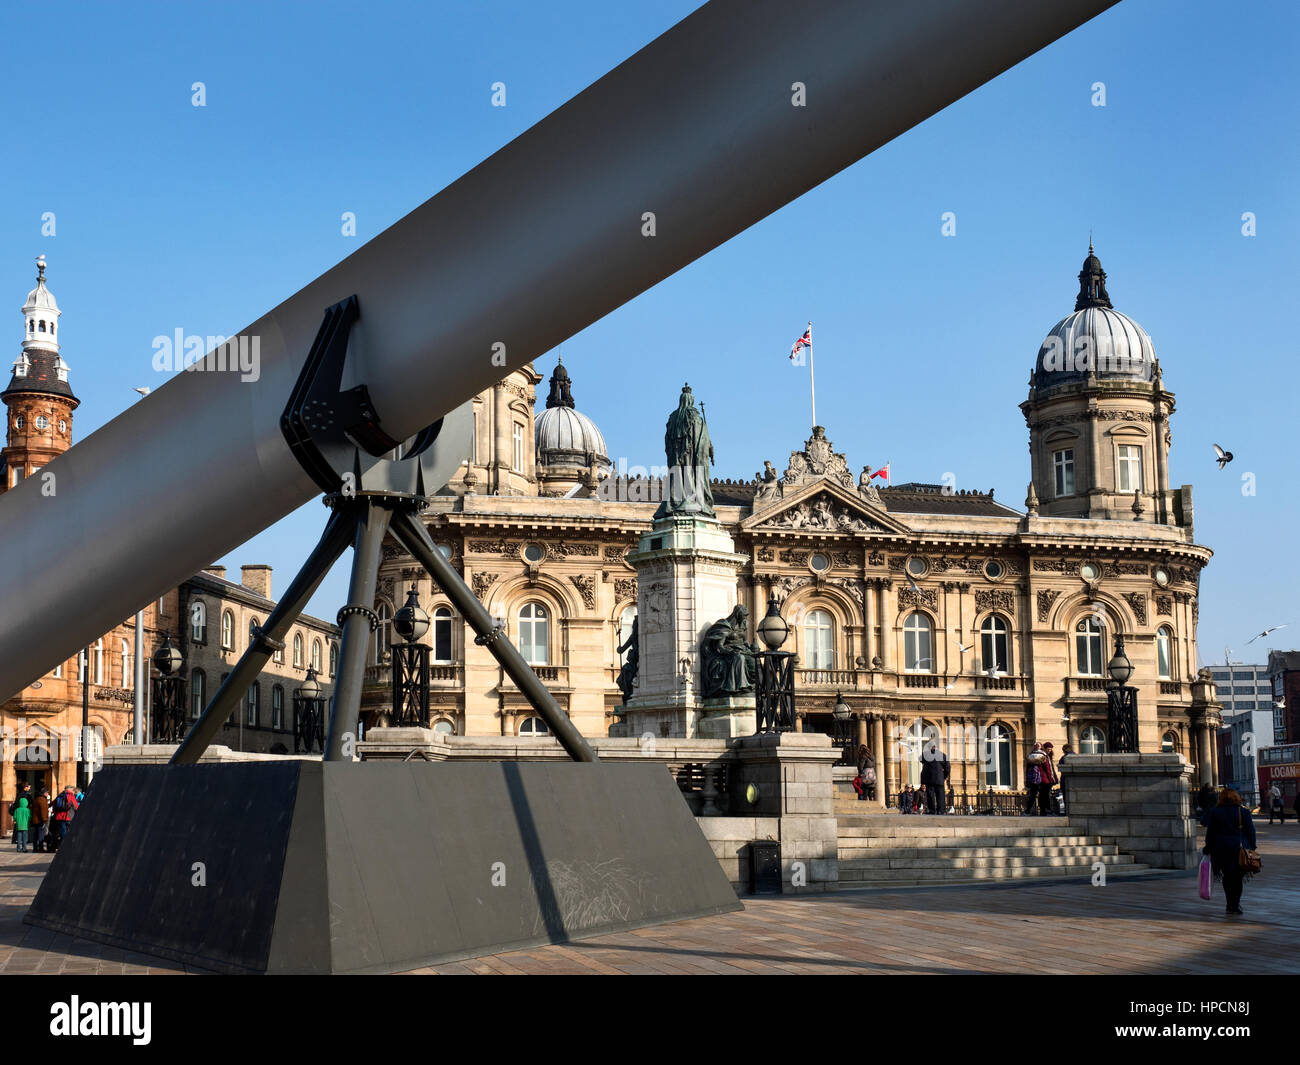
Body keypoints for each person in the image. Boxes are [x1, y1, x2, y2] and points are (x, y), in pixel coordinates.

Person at [1203, 788, 1257, 916]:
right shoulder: (1243, 812)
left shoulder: (1216, 812)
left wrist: (1208, 847)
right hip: (1238, 848)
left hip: (1220, 848)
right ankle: (1235, 904)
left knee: (1227, 877)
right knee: (1237, 878)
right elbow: (1251, 831)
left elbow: (1210, 832)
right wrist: (1252, 847)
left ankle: (1229, 904)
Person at [919, 742, 950, 815]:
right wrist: (944, 776)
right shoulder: (942, 755)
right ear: (936, 747)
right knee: (940, 796)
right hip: (939, 779)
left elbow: (920, 759)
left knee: (930, 796)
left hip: (929, 779)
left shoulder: (926, 755)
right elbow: (948, 768)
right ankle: (941, 810)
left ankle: (932, 810)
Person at [50, 785, 79, 850]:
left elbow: (52, 804)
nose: (74, 792)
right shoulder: (71, 796)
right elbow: (76, 807)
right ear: (70, 790)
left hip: (59, 817)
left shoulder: (60, 795)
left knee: (62, 831)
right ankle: (67, 846)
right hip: (68, 817)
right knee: (69, 831)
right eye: (73, 790)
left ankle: (62, 845)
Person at [1024, 742, 1047, 815]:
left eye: (1037, 745)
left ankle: (1029, 810)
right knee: (1040, 795)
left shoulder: (1030, 755)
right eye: (1035, 745)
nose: (1036, 746)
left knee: (1034, 795)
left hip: (1034, 778)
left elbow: (1027, 768)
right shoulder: (1043, 755)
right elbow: (1047, 768)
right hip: (1040, 778)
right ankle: (1042, 811)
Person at [1039, 742, 1059, 815]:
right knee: (1046, 795)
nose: (1049, 750)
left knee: (1043, 795)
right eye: (1048, 749)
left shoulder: (1046, 756)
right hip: (1045, 780)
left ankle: (1043, 810)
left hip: (1045, 779)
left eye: (1050, 749)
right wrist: (1053, 779)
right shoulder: (1045, 756)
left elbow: (1051, 769)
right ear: (1045, 748)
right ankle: (1047, 810)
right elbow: (1049, 769)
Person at [30, 789, 49, 853]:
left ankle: (35, 848)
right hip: (40, 820)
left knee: (35, 835)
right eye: (47, 793)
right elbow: (43, 810)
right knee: (41, 835)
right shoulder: (42, 799)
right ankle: (40, 848)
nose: (48, 794)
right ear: (44, 793)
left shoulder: (37, 799)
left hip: (36, 820)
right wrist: (44, 820)